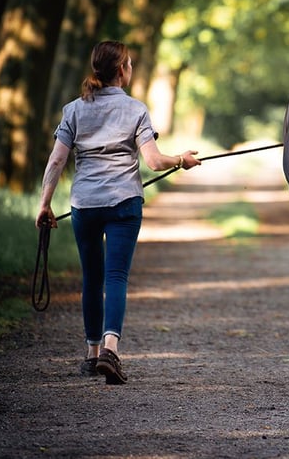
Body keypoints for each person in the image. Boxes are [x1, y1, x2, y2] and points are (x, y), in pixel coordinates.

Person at [35, 40, 201, 385]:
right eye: (129, 64)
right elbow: (154, 161)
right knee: (116, 277)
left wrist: (44, 204)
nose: (131, 70)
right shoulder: (135, 109)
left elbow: (56, 160)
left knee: (92, 279)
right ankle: (111, 350)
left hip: (85, 205)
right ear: (122, 69)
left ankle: (92, 353)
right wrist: (181, 160)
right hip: (124, 203)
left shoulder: (73, 111)